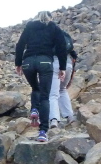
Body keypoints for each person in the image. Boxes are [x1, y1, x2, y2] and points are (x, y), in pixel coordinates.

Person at [15, 11, 67, 143]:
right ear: (50, 18)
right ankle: (43, 132)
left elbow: (20, 45)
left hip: (28, 62)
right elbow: (62, 47)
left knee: (35, 88)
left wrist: (18, 63)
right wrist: (62, 67)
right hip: (45, 62)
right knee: (45, 97)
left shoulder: (29, 26)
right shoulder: (53, 27)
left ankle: (34, 109)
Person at [49, 32, 78, 128]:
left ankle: (54, 119)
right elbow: (74, 54)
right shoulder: (66, 36)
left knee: (53, 94)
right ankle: (70, 116)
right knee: (62, 89)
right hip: (68, 63)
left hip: (55, 63)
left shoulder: (50, 35)